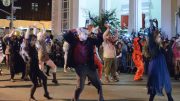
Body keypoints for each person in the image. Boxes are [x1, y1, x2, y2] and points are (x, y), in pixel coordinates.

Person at [63, 23, 104, 101]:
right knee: (80, 87)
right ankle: (75, 98)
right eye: (83, 33)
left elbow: (99, 41)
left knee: (98, 84)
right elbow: (65, 36)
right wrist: (74, 29)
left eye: (86, 33)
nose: (85, 35)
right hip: (80, 67)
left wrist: (100, 33)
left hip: (89, 66)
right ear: (79, 33)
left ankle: (101, 98)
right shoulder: (74, 40)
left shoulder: (90, 40)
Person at [147, 20, 174, 101]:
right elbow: (151, 34)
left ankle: (170, 97)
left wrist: (157, 25)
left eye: (160, 36)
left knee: (166, 80)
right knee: (155, 83)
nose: (160, 38)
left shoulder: (159, 45)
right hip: (155, 65)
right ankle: (151, 98)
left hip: (162, 66)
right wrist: (152, 24)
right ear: (155, 38)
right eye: (159, 37)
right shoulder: (152, 44)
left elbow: (164, 54)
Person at [24, 32, 52, 100]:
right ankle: (31, 96)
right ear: (29, 40)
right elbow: (26, 55)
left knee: (44, 78)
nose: (34, 41)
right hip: (31, 69)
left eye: (35, 39)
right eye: (33, 40)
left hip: (36, 67)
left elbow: (39, 47)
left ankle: (46, 93)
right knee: (35, 84)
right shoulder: (27, 47)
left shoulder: (34, 47)